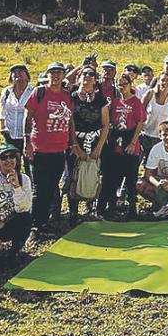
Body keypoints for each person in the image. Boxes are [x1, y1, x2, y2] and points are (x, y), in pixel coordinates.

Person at [22, 62, 75, 238]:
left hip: (59, 150)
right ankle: (34, 227)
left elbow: (70, 121)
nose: (56, 76)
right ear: (48, 75)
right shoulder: (39, 92)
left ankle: (44, 223)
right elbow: (28, 116)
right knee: (39, 189)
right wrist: (26, 142)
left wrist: (73, 143)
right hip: (39, 149)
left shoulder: (67, 96)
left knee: (52, 187)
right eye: (52, 73)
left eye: (59, 73)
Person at [99, 74, 145, 219]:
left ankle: (132, 209)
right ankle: (112, 206)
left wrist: (133, 142)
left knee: (131, 179)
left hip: (131, 142)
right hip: (116, 143)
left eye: (125, 84)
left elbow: (140, 123)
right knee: (113, 178)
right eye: (119, 84)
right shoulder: (115, 102)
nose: (122, 87)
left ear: (131, 84)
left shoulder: (136, 102)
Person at [68, 68, 109, 223]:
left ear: (95, 79)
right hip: (75, 141)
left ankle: (91, 207)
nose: (88, 76)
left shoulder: (101, 99)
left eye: (91, 74)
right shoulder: (72, 97)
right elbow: (70, 122)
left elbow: (106, 125)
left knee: (94, 173)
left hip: (95, 141)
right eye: (85, 73)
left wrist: (98, 147)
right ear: (79, 77)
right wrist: (75, 146)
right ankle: (73, 211)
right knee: (74, 174)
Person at [0, 64, 33, 173]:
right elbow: (2, 111)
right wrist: (2, 127)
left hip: (28, 135)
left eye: (21, 72)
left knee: (29, 164)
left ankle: (30, 187)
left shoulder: (33, 91)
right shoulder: (7, 92)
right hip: (10, 134)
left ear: (27, 75)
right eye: (14, 73)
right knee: (12, 164)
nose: (17, 75)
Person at [141, 71, 168, 160]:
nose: (165, 83)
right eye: (162, 80)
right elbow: (139, 113)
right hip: (144, 135)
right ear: (158, 81)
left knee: (154, 165)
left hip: (161, 138)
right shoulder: (150, 94)